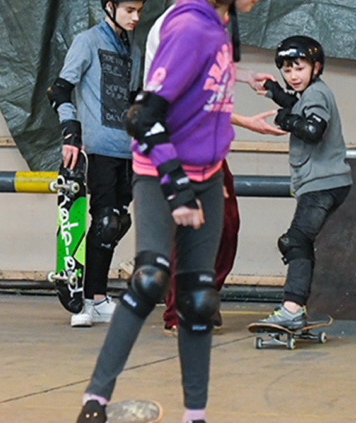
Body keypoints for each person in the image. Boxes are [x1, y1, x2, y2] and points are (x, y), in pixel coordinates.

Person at [77, 1, 263, 422]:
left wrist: (245, 82)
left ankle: (194, 416)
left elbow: (200, 91)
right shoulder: (189, 28)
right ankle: (95, 403)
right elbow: (142, 116)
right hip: (161, 169)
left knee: (198, 299)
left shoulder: (220, 24)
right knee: (150, 279)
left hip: (209, 174)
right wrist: (177, 187)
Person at [141, 0, 285, 336]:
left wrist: (246, 76)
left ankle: (201, 299)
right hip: (180, 144)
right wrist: (245, 122)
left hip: (206, 143)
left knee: (226, 225)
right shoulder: (182, 27)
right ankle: (180, 312)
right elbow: (178, 100)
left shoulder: (210, 23)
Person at [47, 0, 146, 328]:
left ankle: (97, 297)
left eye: (139, 10)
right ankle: (88, 303)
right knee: (104, 221)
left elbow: (133, 100)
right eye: (129, 9)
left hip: (129, 152)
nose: (135, 17)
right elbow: (60, 90)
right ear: (109, 5)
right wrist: (70, 132)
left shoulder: (132, 48)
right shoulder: (87, 41)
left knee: (118, 222)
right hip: (100, 150)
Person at [249, 35, 352, 329]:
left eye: (299, 68)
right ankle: (296, 306)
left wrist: (284, 121)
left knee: (296, 240)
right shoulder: (311, 92)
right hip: (324, 183)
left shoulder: (318, 94)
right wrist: (272, 90)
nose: (293, 76)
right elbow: (296, 104)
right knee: (298, 241)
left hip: (323, 184)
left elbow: (313, 128)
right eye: (287, 69)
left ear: (316, 67)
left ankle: (292, 308)